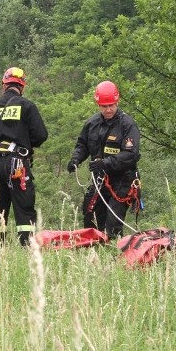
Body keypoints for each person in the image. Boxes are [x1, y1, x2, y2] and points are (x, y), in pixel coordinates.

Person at [67, 80, 141, 239]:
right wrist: (76, 159)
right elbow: (82, 145)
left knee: (112, 224)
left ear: (117, 101)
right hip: (100, 180)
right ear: (98, 104)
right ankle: (94, 257)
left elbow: (131, 154)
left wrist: (105, 163)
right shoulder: (92, 123)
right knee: (90, 217)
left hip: (122, 180)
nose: (108, 109)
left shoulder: (127, 124)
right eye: (104, 106)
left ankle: (114, 256)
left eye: (111, 106)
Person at [0, 67, 48, 246]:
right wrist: (26, 143)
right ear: (22, 86)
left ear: (4, 84)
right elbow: (41, 135)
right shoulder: (26, 105)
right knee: (24, 207)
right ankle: (27, 247)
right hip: (16, 163)